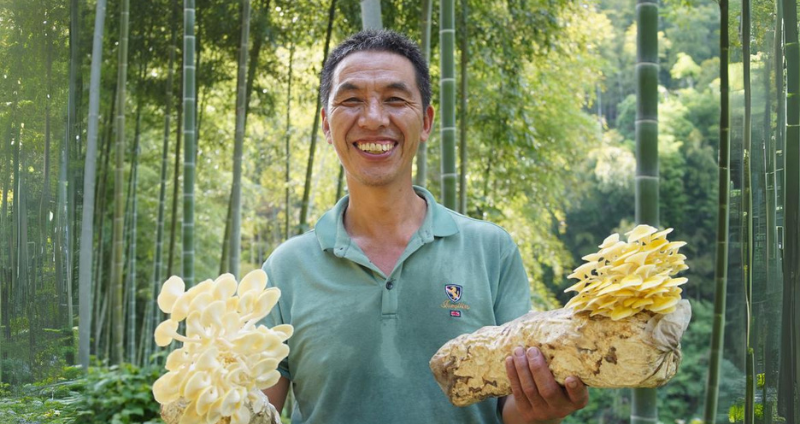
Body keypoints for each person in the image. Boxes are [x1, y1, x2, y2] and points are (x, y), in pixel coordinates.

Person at [262, 29, 588, 424]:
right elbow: (253, 410)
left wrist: (545, 405)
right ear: (327, 126)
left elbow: (510, 409)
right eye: (351, 101)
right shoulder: (286, 269)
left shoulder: (491, 251)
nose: (374, 118)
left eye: (396, 100)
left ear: (427, 120)